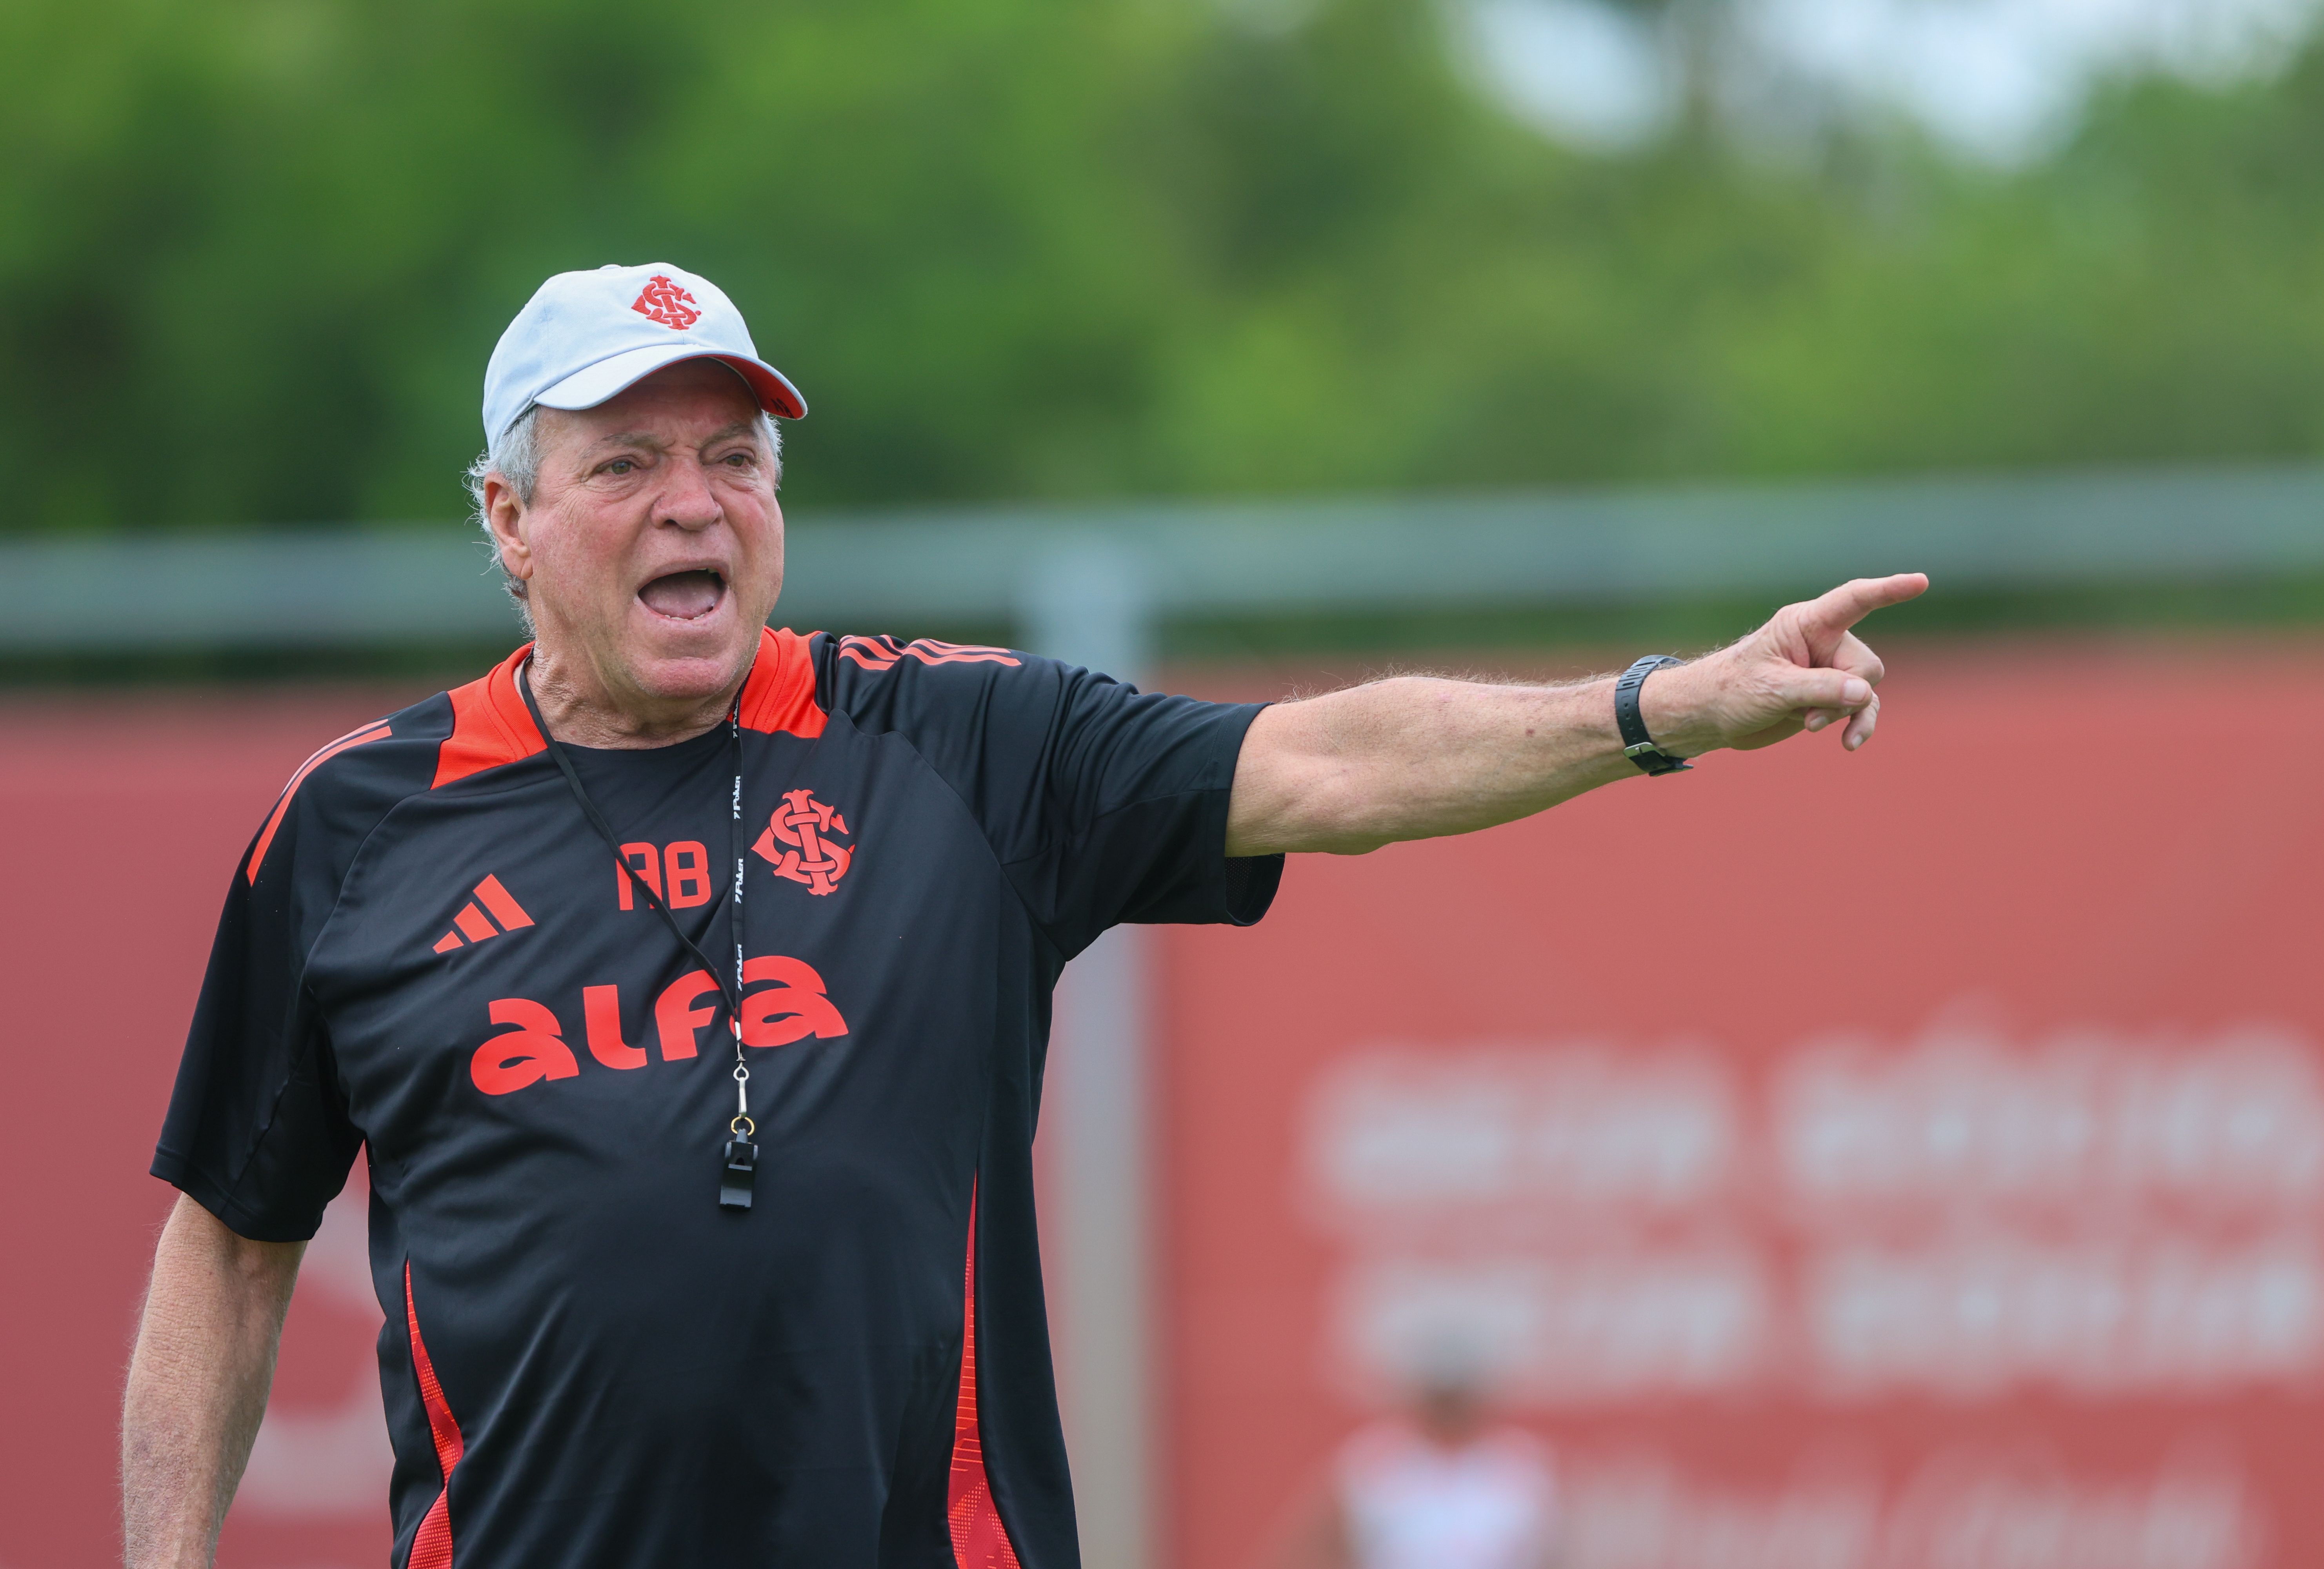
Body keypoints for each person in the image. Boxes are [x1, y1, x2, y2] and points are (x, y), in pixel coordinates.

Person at [120, 261, 1926, 1569]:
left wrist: (1656, 707)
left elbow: (1327, 760)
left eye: (733, 458)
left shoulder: (950, 740)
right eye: (624, 464)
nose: (695, 502)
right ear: (508, 523)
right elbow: (230, 1237)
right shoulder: (357, 824)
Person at [1264, 1361, 1558, 1569]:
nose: (1450, 1411)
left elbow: (1552, 1554)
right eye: (1442, 1398)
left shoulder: (1522, 1465)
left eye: (1457, 1398)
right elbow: (1313, 1549)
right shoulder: (1374, 1459)